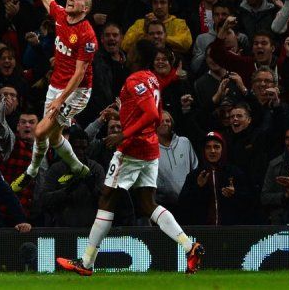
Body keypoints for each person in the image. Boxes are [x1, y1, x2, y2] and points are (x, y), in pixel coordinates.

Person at [56, 41, 203, 276]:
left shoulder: (135, 80)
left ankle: (86, 262)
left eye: (132, 49)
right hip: (150, 148)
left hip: (132, 149)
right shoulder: (152, 78)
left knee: (106, 198)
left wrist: (123, 133)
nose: (128, 51)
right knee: (147, 203)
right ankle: (189, 246)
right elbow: (148, 103)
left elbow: (152, 113)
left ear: (137, 55)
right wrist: (122, 114)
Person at [11, 0, 98, 192]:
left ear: (86, 8)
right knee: (54, 137)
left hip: (77, 91)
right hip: (57, 84)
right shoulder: (61, 17)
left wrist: (61, 100)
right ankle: (80, 170)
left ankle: (31, 172)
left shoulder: (87, 35)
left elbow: (80, 73)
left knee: (40, 131)